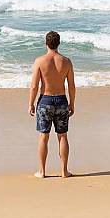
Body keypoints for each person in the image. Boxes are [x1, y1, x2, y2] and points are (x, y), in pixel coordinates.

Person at [28, 31, 75, 178]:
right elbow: (72, 86)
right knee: (63, 136)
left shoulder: (40, 61)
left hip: (45, 101)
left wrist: (31, 103)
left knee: (43, 137)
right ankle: (64, 171)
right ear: (59, 43)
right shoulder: (66, 62)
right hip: (61, 100)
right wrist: (72, 103)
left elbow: (34, 86)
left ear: (46, 43)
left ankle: (42, 172)